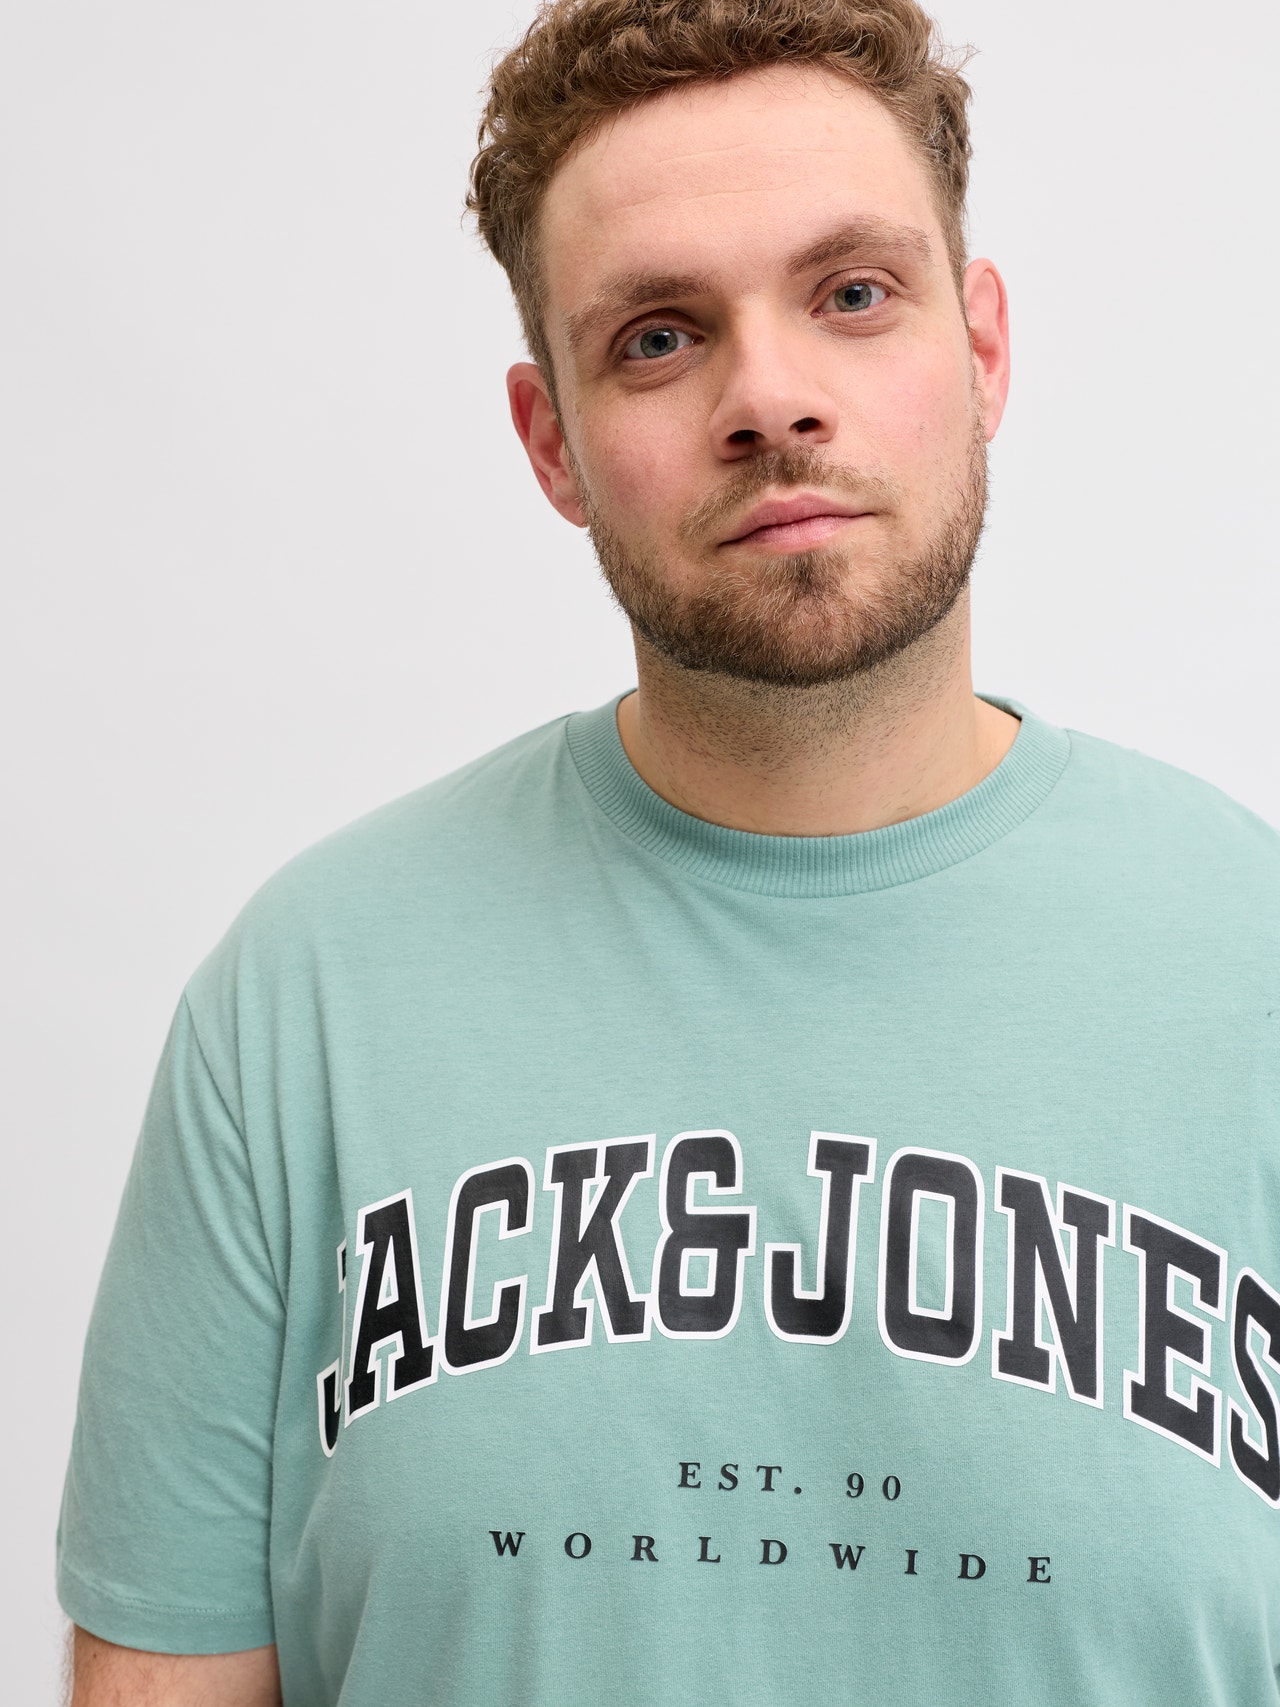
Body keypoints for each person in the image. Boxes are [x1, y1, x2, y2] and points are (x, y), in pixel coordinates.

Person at [58, 0, 1280, 1702]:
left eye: (853, 295)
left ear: (984, 347)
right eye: (656, 337)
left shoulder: (1254, 971)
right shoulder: (301, 1006)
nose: (769, 399)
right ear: (551, 442)